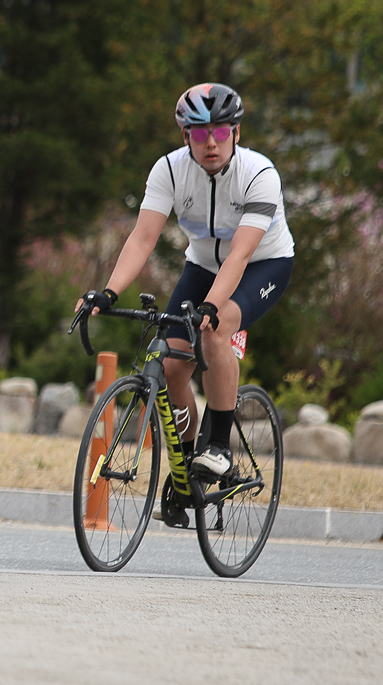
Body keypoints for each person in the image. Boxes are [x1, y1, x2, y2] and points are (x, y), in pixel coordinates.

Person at [78, 82, 295, 489]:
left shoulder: (260, 174)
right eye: (199, 133)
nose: (211, 142)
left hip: (262, 266)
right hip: (202, 267)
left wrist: (211, 307)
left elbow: (240, 255)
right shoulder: (168, 170)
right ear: (185, 137)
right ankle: (187, 465)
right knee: (172, 366)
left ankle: (220, 447)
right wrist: (108, 292)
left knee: (214, 331)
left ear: (236, 132)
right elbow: (143, 238)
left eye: (221, 131)